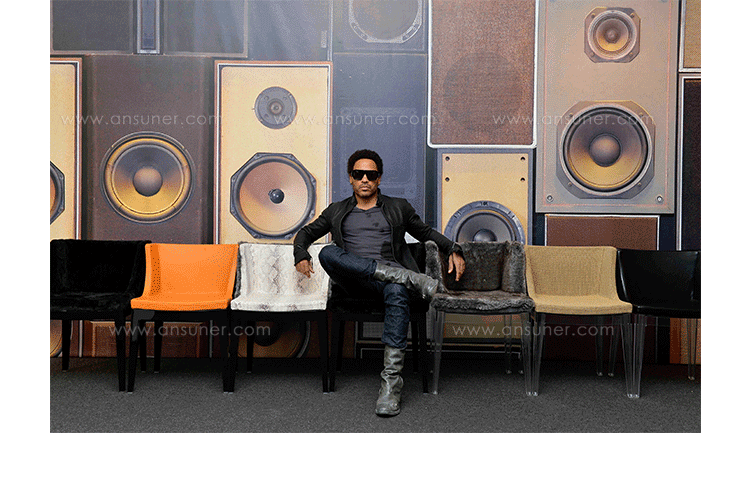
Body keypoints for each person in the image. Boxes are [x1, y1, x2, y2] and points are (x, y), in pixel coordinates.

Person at [293, 149, 465, 417]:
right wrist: (300, 254)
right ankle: (409, 278)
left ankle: (390, 386)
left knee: (396, 289)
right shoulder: (336, 210)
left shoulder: (399, 207)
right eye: (358, 174)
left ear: (379, 179)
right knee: (327, 252)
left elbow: (425, 233)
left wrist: (453, 248)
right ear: (350, 178)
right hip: (354, 283)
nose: (364, 179)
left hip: (388, 285)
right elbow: (306, 233)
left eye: (370, 175)